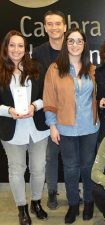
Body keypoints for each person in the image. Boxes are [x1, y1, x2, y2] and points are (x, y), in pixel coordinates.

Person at [43, 27, 99, 224]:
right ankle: (74, 203)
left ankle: (89, 201)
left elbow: (96, 96)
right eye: (71, 41)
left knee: (87, 166)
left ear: (85, 45)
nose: (75, 45)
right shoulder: (55, 69)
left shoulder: (91, 69)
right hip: (65, 127)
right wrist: (52, 125)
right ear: (66, 45)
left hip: (90, 128)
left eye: (79, 41)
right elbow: (49, 99)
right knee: (70, 168)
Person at [0, 30, 49, 225]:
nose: (16, 49)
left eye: (20, 45)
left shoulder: (36, 67)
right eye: (12, 45)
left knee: (38, 169)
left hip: (37, 128)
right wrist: (8, 110)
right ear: (6, 47)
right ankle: (22, 208)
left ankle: (36, 202)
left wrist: (35, 106)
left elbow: (48, 95)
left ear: (25, 49)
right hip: (11, 130)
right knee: (16, 170)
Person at [32, 10, 67, 210]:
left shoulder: (74, 47)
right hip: (48, 112)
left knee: (73, 157)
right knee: (50, 156)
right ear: (45, 28)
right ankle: (52, 192)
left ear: (64, 27)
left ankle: (72, 192)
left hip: (72, 113)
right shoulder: (38, 52)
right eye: (50, 24)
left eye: (58, 24)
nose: (54, 28)